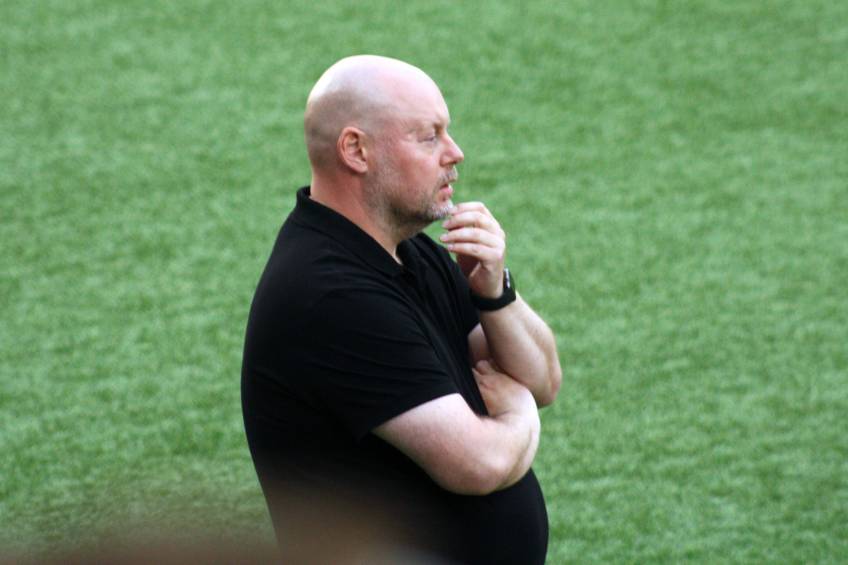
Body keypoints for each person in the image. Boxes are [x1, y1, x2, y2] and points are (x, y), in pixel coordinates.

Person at [241, 55, 562, 565]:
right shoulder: (330, 295)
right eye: (429, 136)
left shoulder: (410, 251)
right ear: (356, 150)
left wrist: (495, 292)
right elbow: (476, 463)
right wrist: (519, 416)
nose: (455, 153)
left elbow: (542, 379)